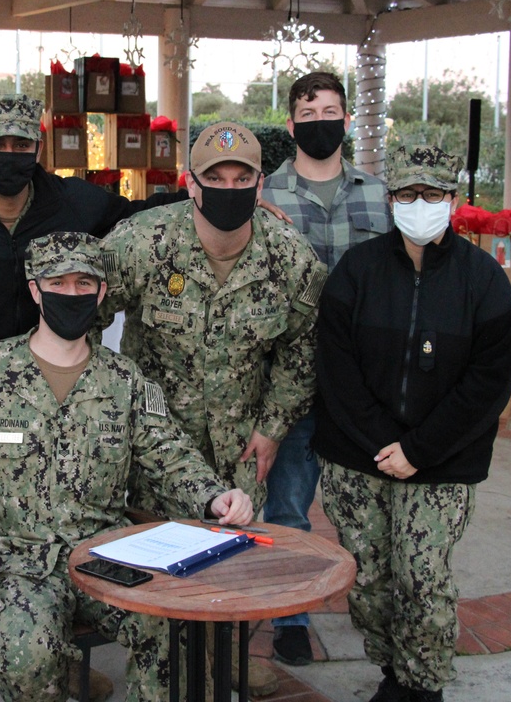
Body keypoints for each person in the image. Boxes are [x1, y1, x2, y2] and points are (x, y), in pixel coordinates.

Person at [0, 92, 191, 701]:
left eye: (21, 145)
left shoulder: (71, 202)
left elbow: (139, 213)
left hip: (57, 380)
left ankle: (55, 656)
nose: (8, 155)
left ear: (38, 148)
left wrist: (223, 205)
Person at [0, 231, 254, 701]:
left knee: (173, 632)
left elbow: (171, 455)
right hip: (17, 561)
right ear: (35, 289)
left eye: (83, 284)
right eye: (57, 282)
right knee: (25, 655)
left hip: (105, 554)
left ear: (100, 293)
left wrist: (215, 495)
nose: (70, 294)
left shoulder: (126, 381)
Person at [100, 121, 325, 697]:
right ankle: (164, 681)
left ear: (259, 184)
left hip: (239, 454)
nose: (229, 187)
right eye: (214, 177)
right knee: (158, 585)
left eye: (241, 176)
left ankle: (221, 664)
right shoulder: (142, 243)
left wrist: (273, 428)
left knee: (235, 573)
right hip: (155, 457)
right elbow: (80, 319)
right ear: (190, 185)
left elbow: (305, 347)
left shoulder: (288, 259)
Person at [312, 145, 511, 702]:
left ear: (452, 201)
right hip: (361, 458)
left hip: (442, 462)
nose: (419, 205)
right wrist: (385, 443)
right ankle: (392, 672)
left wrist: (419, 449)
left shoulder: (484, 280)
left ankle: (423, 683)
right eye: (407, 194)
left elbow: (489, 380)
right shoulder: (358, 271)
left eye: (432, 195)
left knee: (423, 580)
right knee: (372, 579)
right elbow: (336, 366)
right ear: (390, 199)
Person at [261, 71, 392, 665]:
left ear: (347, 120)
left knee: (370, 508)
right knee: (289, 506)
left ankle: (384, 617)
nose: (321, 121)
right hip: (291, 379)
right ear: (291, 125)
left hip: (363, 381)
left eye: (331, 110)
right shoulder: (266, 195)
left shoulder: (378, 195)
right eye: (309, 113)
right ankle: (291, 618)